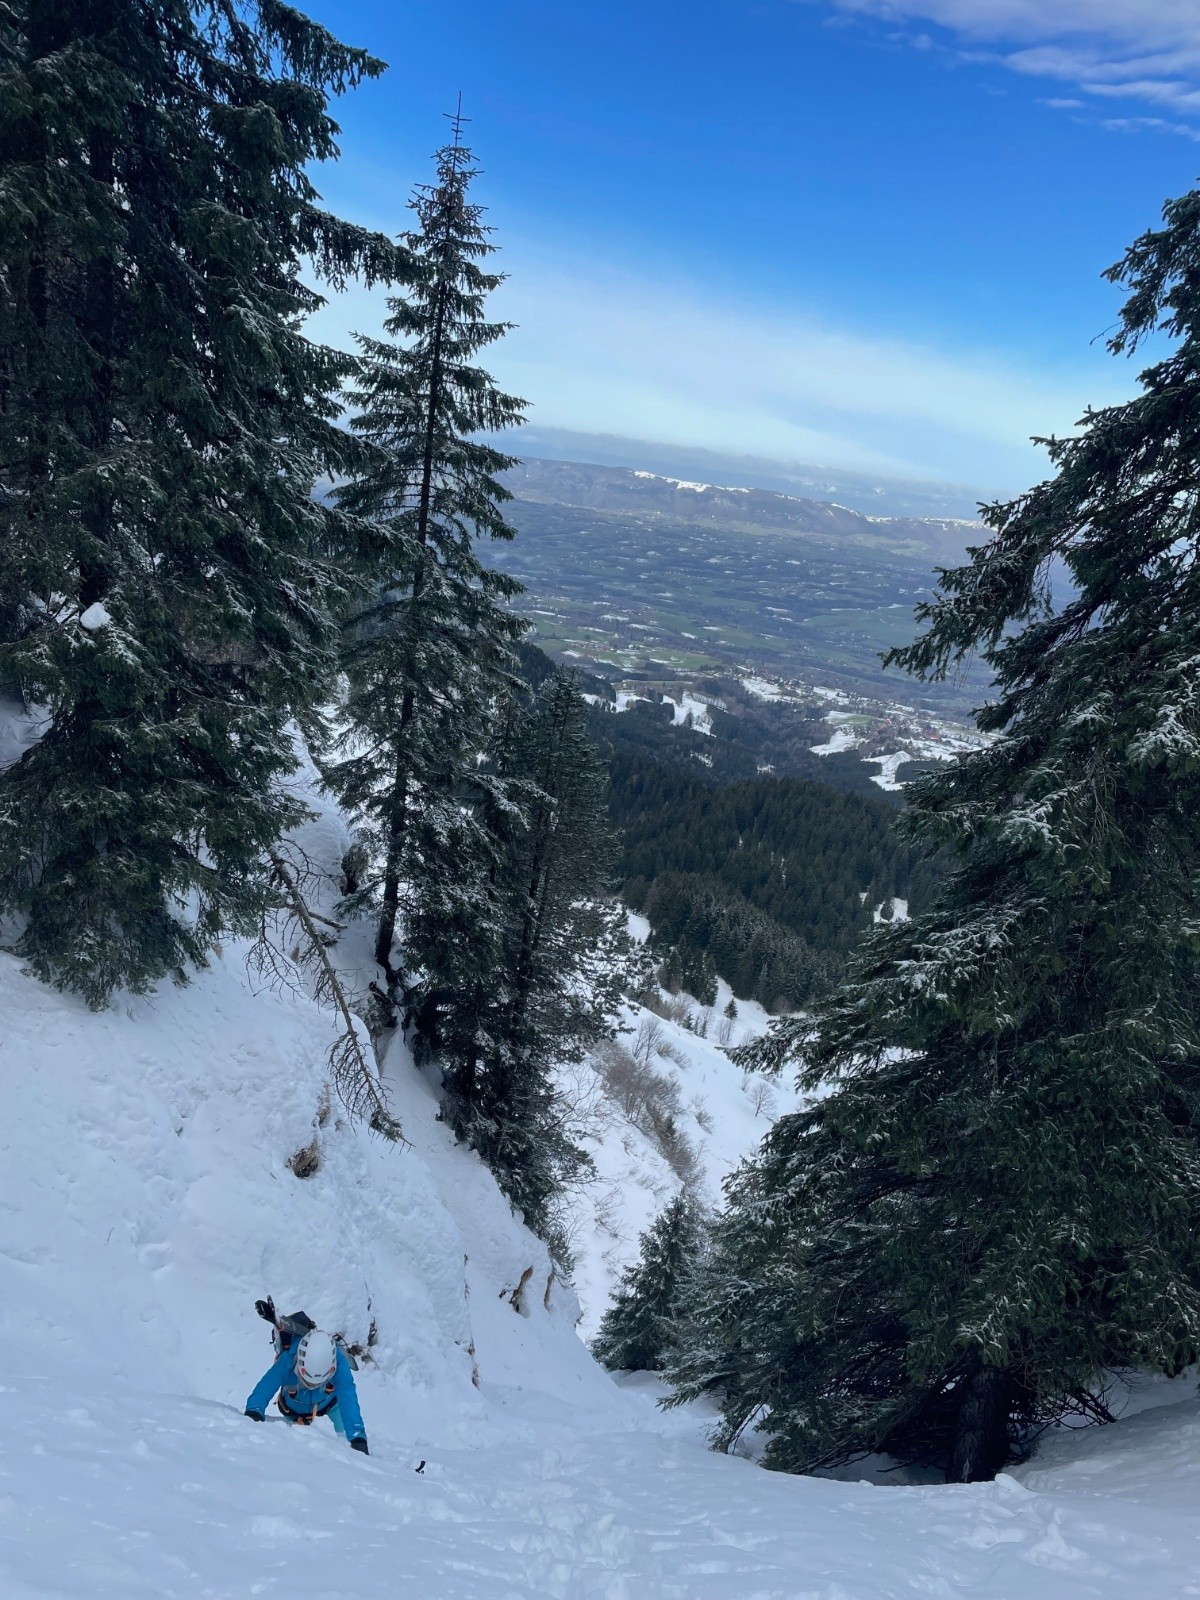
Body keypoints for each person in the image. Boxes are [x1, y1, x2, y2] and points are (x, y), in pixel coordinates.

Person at [245, 1324, 369, 1455]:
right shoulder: (287, 1360)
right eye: (306, 1381)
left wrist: (358, 1438)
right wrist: (254, 1411)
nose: (311, 1386)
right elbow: (265, 1387)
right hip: (292, 1411)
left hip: (330, 1407)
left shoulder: (340, 1363)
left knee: (345, 1446)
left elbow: (348, 1398)